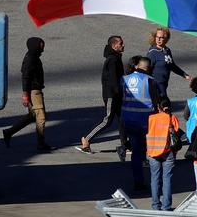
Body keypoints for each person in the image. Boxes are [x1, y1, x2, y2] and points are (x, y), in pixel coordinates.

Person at [76, 36, 127, 158]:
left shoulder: (115, 58)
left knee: (122, 119)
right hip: (112, 95)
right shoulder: (112, 60)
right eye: (121, 43)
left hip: (116, 94)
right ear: (114, 46)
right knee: (108, 120)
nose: (123, 45)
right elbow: (113, 80)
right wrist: (118, 93)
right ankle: (87, 139)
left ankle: (125, 145)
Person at [3, 37, 54, 151]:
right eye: (41, 46)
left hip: (35, 91)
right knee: (41, 117)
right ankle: (41, 143)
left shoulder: (33, 57)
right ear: (35, 46)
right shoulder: (30, 59)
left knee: (32, 116)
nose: (42, 49)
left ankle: (8, 132)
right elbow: (25, 77)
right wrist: (25, 94)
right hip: (34, 92)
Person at [122, 56, 160, 190]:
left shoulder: (124, 79)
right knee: (152, 152)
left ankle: (138, 180)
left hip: (129, 121)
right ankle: (156, 182)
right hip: (146, 122)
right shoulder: (150, 81)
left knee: (136, 152)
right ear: (147, 68)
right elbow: (157, 102)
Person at [147, 98, 179, 210]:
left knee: (154, 179)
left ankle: (155, 205)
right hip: (167, 152)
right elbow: (176, 135)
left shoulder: (151, 118)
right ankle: (166, 206)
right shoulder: (172, 118)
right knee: (167, 179)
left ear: (158, 107)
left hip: (152, 152)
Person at [147, 27, 191, 99]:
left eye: (161, 38)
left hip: (164, 85)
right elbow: (147, 70)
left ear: (166, 39)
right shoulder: (153, 53)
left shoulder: (167, 50)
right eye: (157, 37)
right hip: (156, 86)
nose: (158, 39)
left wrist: (185, 75)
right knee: (165, 106)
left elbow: (172, 65)